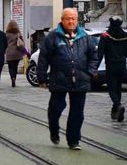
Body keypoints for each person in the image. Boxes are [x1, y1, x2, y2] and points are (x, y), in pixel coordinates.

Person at [38, 8, 97, 150]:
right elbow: (43, 58)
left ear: (77, 20)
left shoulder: (85, 37)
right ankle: (54, 129)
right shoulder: (52, 37)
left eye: (74, 19)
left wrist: (89, 73)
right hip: (59, 79)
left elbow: (93, 57)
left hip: (80, 80)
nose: (71, 21)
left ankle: (73, 140)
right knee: (55, 109)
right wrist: (42, 78)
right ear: (62, 19)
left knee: (77, 112)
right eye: (68, 18)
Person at [97, 16, 127, 122]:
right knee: (118, 87)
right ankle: (116, 111)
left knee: (112, 88)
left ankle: (118, 105)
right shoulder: (126, 36)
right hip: (122, 66)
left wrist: (94, 68)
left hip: (111, 66)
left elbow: (100, 54)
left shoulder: (105, 36)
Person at [5, 20, 25, 88]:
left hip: (9, 53)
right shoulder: (18, 33)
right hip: (17, 53)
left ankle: (12, 78)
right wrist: (26, 52)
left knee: (10, 67)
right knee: (15, 67)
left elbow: (4, 44)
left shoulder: (7, 34)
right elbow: (22, 44)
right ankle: (14, 78)